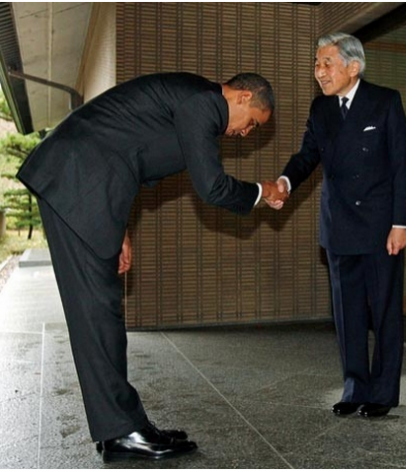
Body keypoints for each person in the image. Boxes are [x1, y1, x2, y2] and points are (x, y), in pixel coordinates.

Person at [17, 72, 287, 461]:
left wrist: (120, 228)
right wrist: (264, 191)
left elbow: (131, 155)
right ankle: (121, 432)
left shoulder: (195, 105)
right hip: (77, 181)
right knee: (97, 311)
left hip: (91, 186)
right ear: (243, 97)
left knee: (102, 309)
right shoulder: (203, 104)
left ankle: (125, 426)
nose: (246, 134)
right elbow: (211, 187)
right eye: (252, 125)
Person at [268, 32, 406, 418]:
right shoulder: (321, 111)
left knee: (383, 310)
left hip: (382, 227)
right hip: (339, 226)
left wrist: (402, 223)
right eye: (316, 65)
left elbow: (402, 165)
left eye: (326, 64)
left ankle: (382, 392)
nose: (319, 72)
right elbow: (306, 157)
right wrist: (284, 182)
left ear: (353, 66)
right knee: (346, 312)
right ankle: (355, 388)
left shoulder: (385, 101)